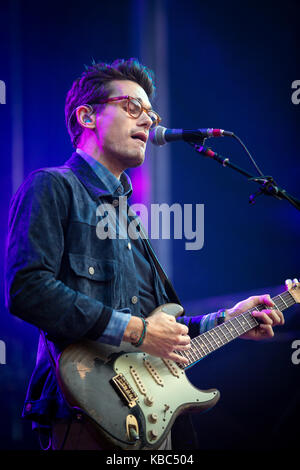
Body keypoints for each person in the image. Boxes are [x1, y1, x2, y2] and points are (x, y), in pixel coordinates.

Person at [5, 58, 285, 451]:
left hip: (153, 420)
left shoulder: (129, 219)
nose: (149, 121)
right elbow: (27, 289)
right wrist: (137, 331)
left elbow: (160, 330)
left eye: (151, 113)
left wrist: (230, 319)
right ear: (87, 116)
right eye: (132, 107)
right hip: (86, 412)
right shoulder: (53, 187)